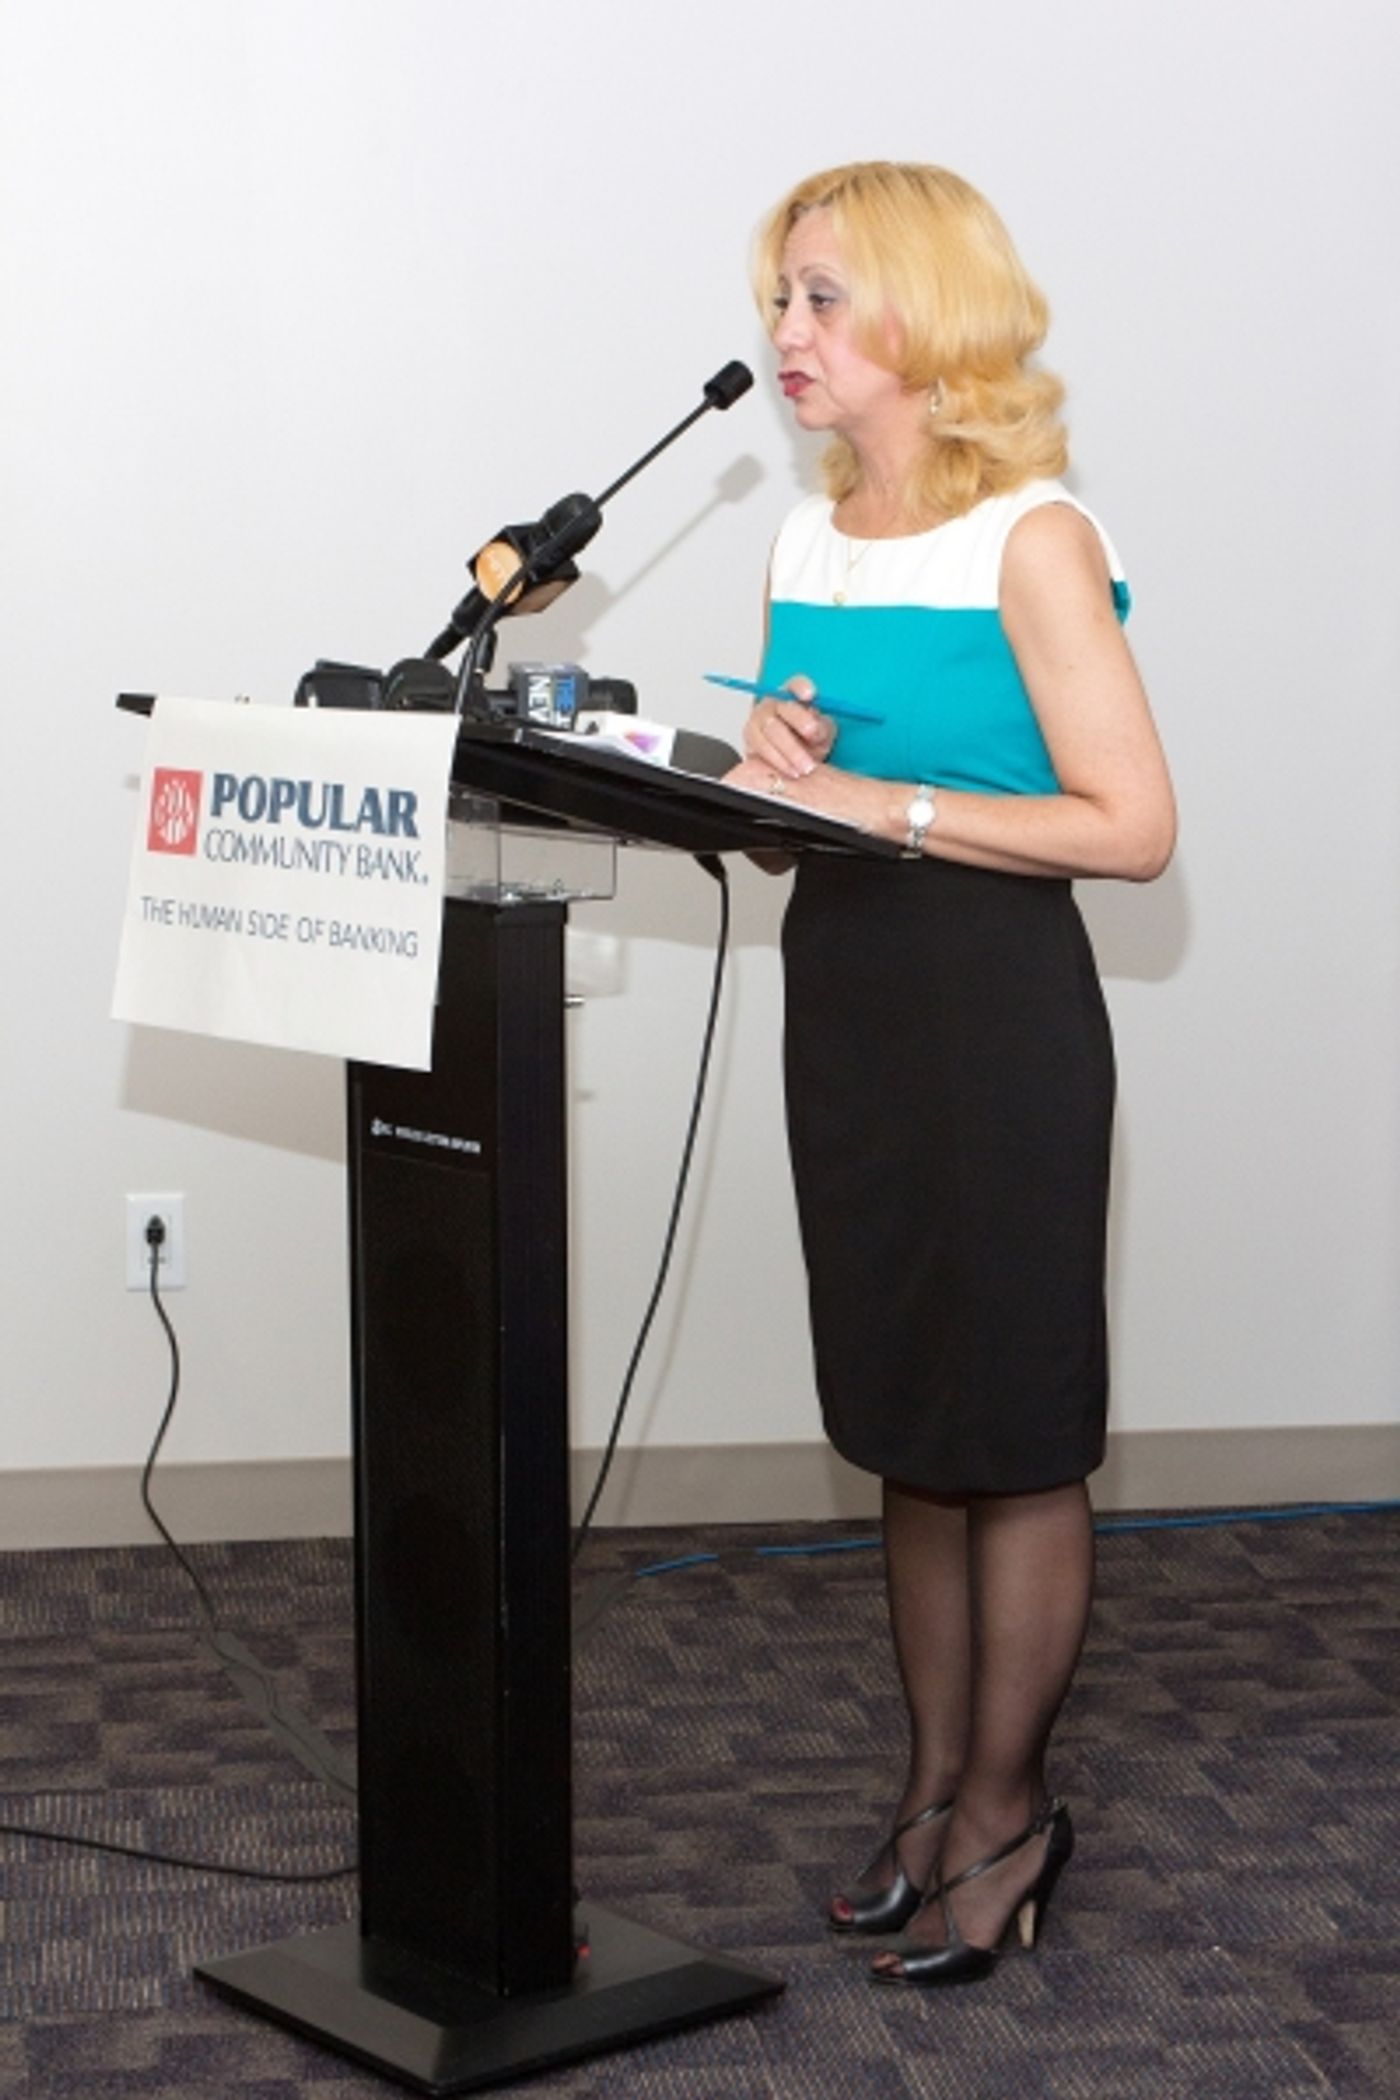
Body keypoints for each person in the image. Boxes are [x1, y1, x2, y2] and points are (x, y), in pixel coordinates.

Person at [726, 162, 1175, 1987]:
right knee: (914, 1424)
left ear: (928, 315)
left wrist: (877, 801)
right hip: (845, 1009)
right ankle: (928, 1789)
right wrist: (764, 776)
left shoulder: (1036, 538)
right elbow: (793, 819)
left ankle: (1010, 1810)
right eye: (779, 300)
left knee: (1017, 1430)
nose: (786, 335)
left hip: (996, 1023)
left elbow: (1132, 828)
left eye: (825, 298)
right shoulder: (806, 537)